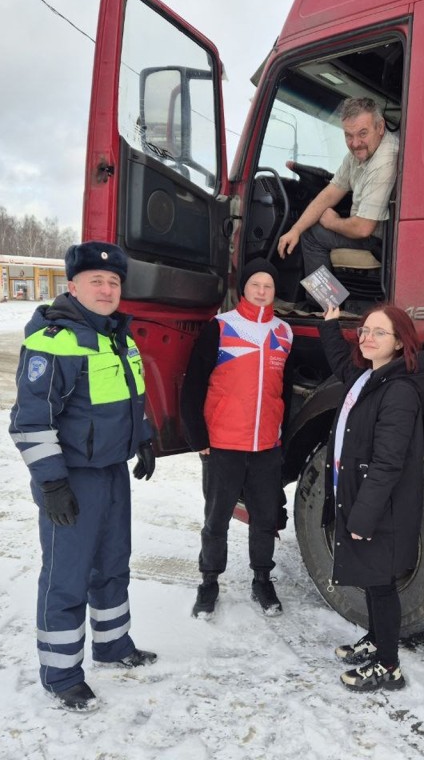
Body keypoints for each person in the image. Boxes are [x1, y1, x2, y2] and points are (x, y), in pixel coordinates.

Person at [9, 240, 158, 713]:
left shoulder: (119, 336)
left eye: (114, 282)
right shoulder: (53, 341)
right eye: (97, 280)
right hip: (71, 478)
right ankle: (61, 674)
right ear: (72, 285)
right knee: (66, 578)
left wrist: (145, 440)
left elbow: (132, 398)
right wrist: (52, 482)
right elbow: (31, 422)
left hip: (111, 472)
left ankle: (113, 646)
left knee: (113, 565)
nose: (107, 288)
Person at [317, 303, 424, 692]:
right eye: (365, 330)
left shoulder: (399, 392)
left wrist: (363, 515)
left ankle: (389, 666)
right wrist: (331, 326)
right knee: (371, 580)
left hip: (380, 509)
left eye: (379, 333)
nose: (368, 338)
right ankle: (376, 638)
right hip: (359, 498)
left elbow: (388, 463)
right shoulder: (368, 377)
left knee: (382, 584)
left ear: (400, 341)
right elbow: (341, 362)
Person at [180, 257, 294, 619]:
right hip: (223, 443)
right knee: (216, 519)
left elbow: (285, 391)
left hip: (265, 446)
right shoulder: (222, 327)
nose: (262, 292)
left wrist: (281, 433)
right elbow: (194, 384)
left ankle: (262, 579)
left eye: (268, 286)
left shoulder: (284, 332)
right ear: (243, 288)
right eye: (255, 285)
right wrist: (198, 437)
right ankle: (209, 581)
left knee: (264, 517)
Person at [276, 97, 399, 300]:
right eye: (348, 135)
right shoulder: (358, 154)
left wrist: (332, 222)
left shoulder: (384, 160)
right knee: (304, 229)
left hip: (383, 239)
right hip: (372, 230)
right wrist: (294, 230)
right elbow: (330, 194)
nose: (355, 143)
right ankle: (329, 303)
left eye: (362, 133)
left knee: (312, 235)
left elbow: (363, 228)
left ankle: (325, 305)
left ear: (380, 127)